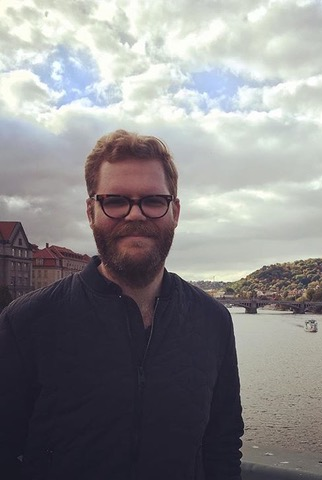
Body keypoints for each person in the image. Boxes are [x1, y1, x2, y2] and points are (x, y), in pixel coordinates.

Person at [0, 130, 244, 480]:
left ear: (174, 211)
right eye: (115, 200)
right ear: (90, 211)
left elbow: (222, 444)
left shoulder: (213, 321)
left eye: (153, 200)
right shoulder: (26, 323)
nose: (134, 215)